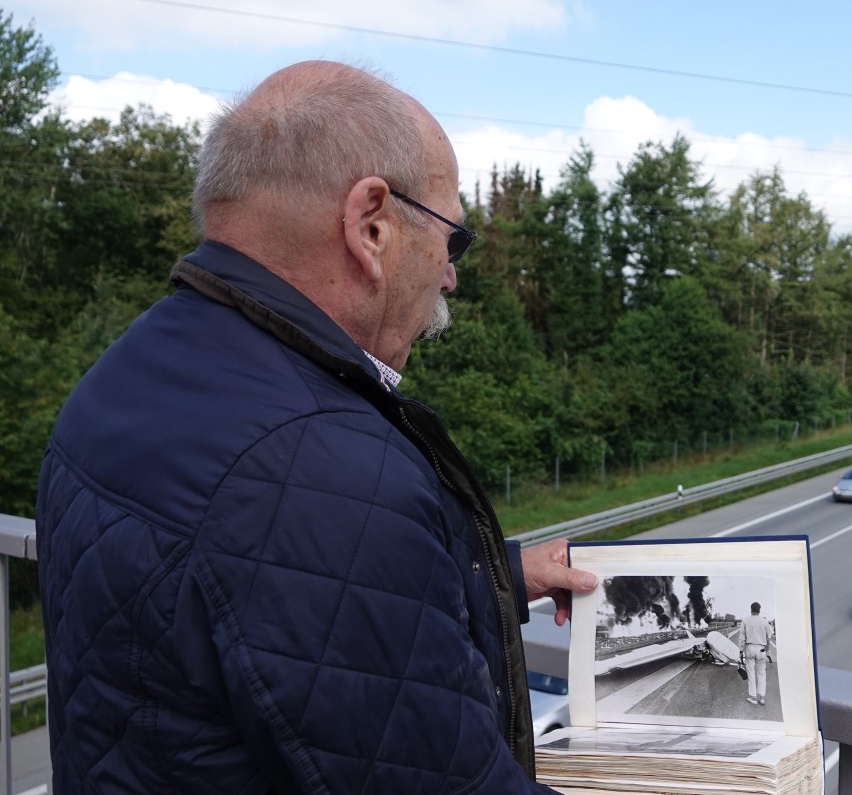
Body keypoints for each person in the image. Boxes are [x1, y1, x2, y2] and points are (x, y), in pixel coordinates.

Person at [36, 60, 597, 793]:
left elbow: (256, 608)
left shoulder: (123, 377)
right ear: (371, 225)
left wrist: (487, 578)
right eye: (451, 239)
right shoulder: (319, 467)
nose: (451, 274)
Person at [739, 602, 774, 706]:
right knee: (761, 673)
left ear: (751, 609)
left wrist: (741, 651)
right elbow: (769, 637)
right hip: (761, 649)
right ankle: (762, 698)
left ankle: (753, 697)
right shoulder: (764, 621)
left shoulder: (745, 620)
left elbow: (742, 638)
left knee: (751, 673)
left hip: (749, 648)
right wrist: (768, 651)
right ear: (760, 610)